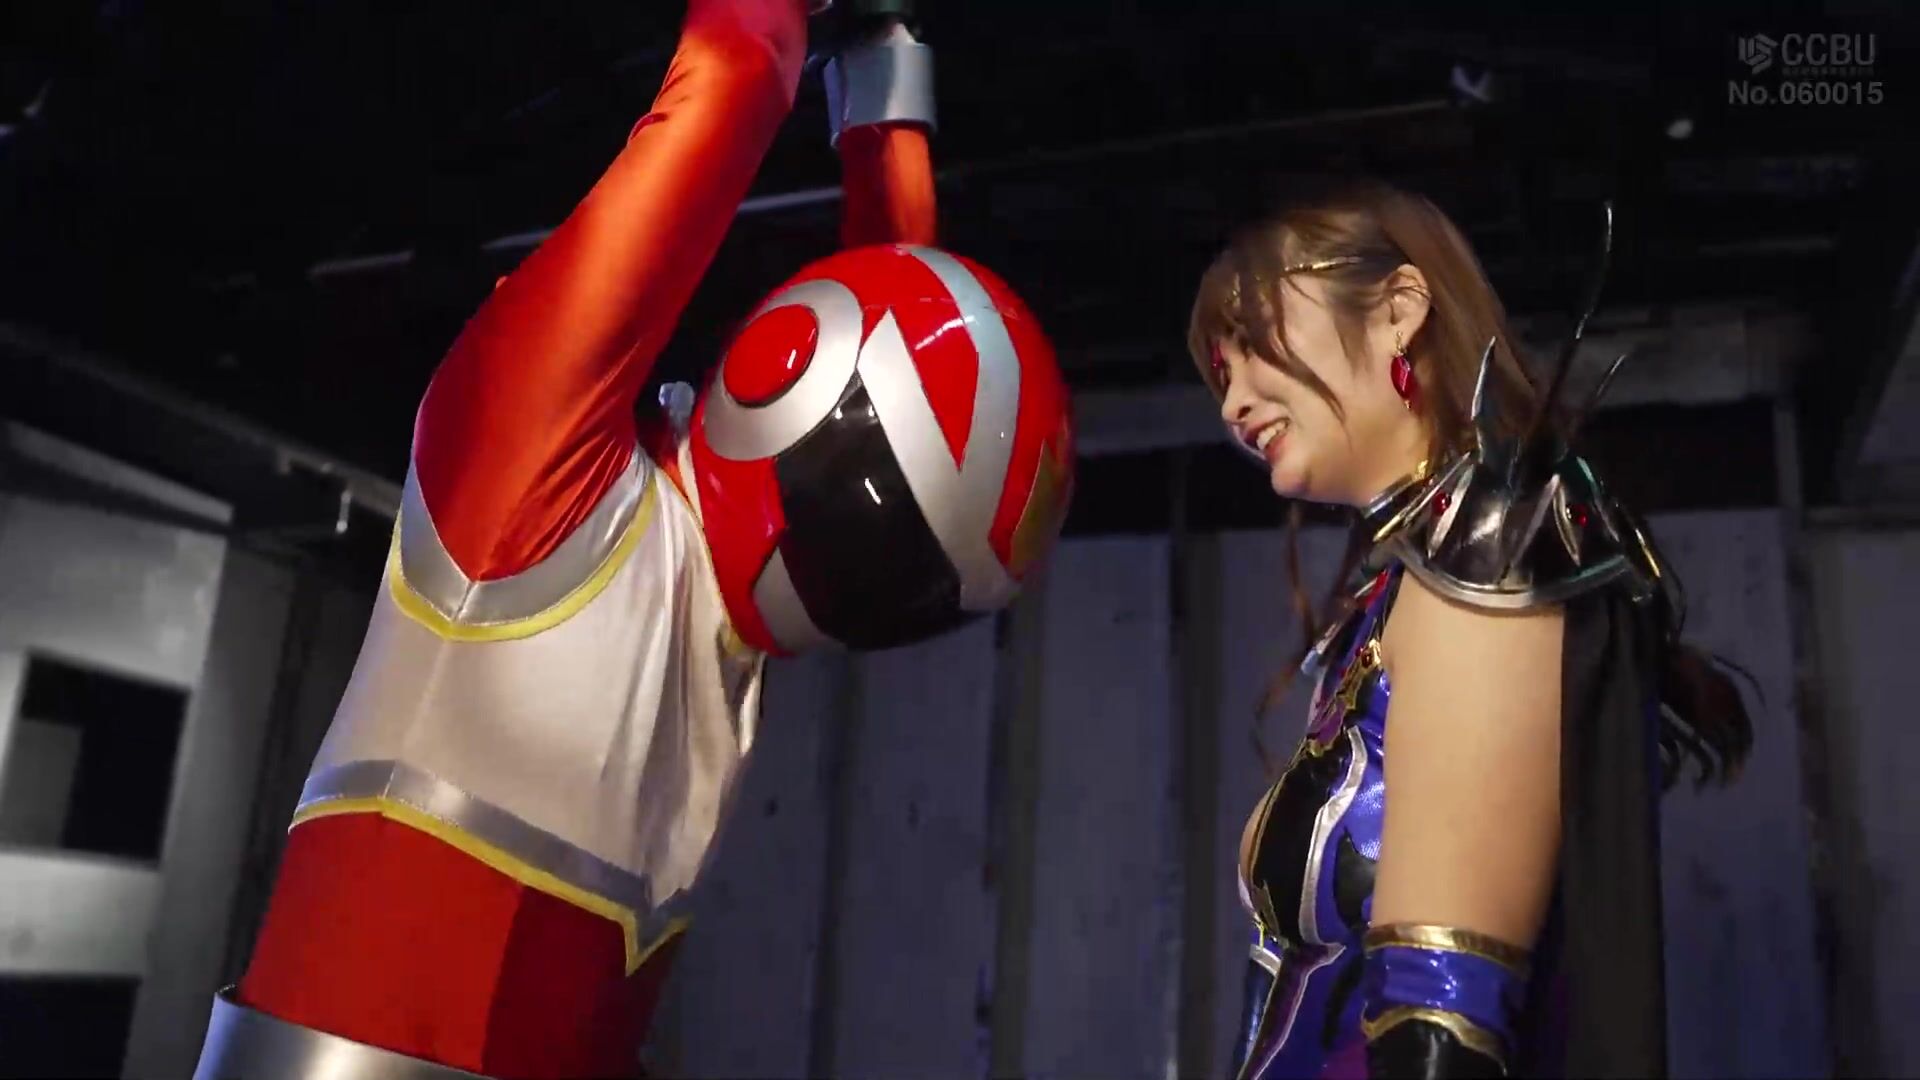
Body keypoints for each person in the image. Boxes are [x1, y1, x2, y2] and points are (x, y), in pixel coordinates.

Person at [193, 2, 1074, 1077]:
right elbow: (906, 369)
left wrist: (867, 74)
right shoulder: (701, 612)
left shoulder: (540, 501)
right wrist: (884, 88)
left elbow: (734, 85)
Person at [1189, 181, 1751, 1079]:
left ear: (1398, 310)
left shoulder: (1489, 549)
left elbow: (1441, 1026)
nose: (1231, 403)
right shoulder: (1403, 590)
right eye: (1221, 373)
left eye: (1252, 341)